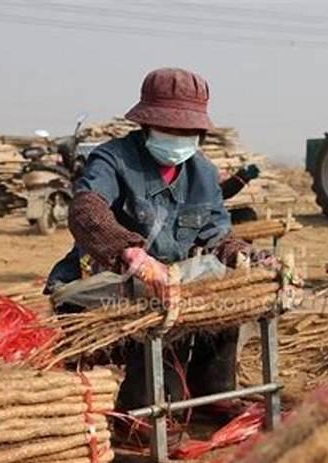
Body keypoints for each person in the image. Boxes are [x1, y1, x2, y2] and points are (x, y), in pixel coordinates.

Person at [61, 67, 260, 414]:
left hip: (171, 291)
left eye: (187, 130)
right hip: (109, 289)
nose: (179, 137)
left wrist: (250, 257)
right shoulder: (113, 159)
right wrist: (134, 255)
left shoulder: (203, 173)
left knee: (228, 296)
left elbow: (218, 233)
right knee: (162, 401)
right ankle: (140, 406)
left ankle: (215, 393)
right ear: (147, 124)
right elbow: (86, 209)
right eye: (170, 127)